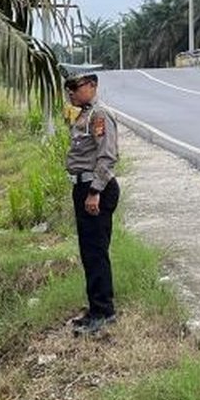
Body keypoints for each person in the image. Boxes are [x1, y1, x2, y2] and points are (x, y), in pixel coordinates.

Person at [62, 64, 121, 335]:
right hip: (83, 187)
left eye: (75, 87)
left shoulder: (99, 115)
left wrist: (95, 192)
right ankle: (96, 307)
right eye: (68, 88)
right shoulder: (84, 116)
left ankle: (104, 311)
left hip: (95, 189)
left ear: (92, 86)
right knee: (89, 251)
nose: (71, 93)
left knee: (96, 251)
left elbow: (107, 157)